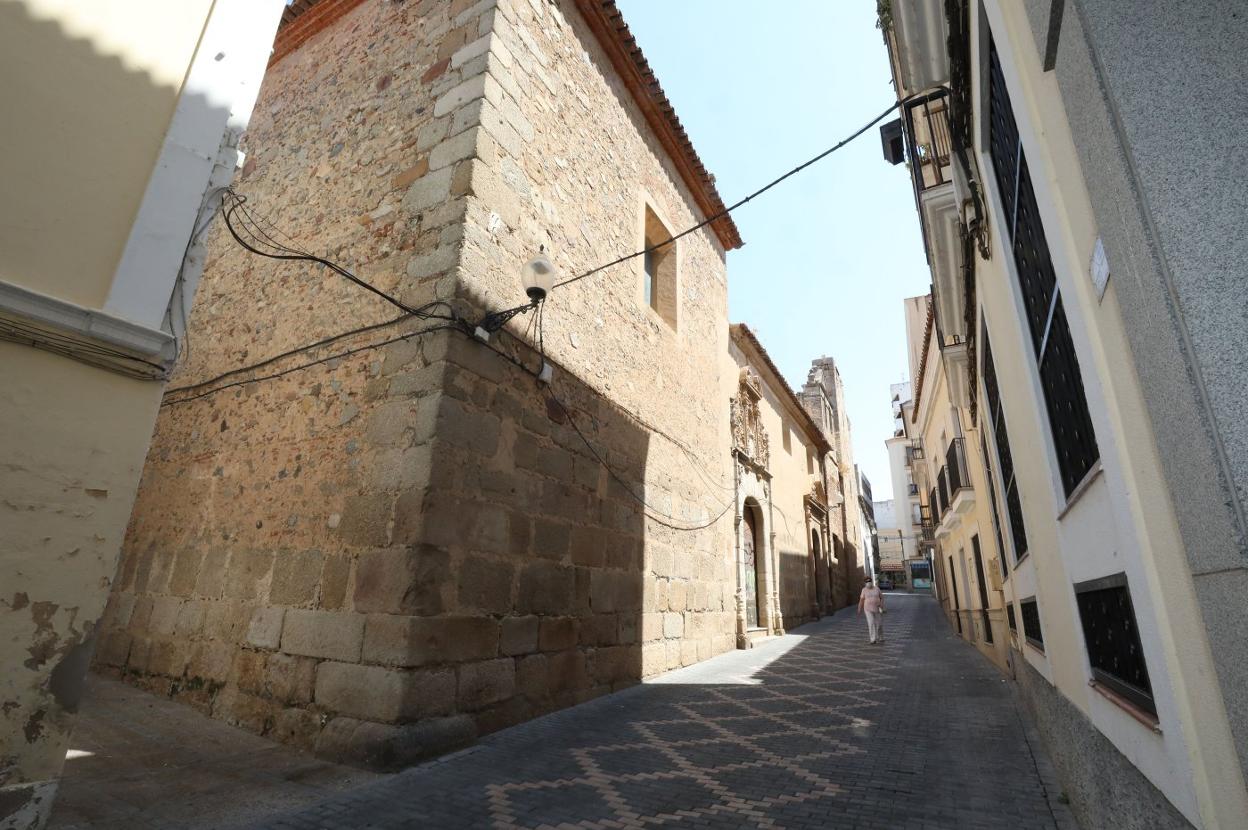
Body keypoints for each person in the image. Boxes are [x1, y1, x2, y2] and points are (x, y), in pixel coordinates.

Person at [857, 578, 885, 644]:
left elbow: (882, 597)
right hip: (867, 609)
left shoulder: (877, 589)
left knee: (879, 624)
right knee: (871, 623)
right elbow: (861, 600)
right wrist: (859, 608)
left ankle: (880, 637)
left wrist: (881, 604)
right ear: (865, 583)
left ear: (872, 582)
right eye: (867, 582)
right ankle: (873, 639)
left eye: (869, 581)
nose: (868, 583)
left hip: (877, 608)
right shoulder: (864, 590)